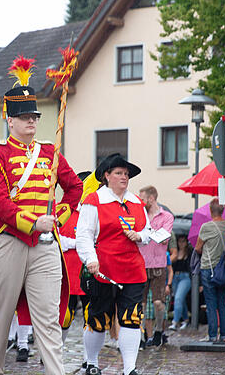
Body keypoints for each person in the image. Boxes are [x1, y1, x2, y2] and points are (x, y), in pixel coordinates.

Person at [0, 57, 83, 375]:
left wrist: (58, 215)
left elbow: (75, 190)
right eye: (23, 116)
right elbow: (0, 203)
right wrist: (32, 222)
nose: (30, 121)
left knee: (48, 317)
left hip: (45, 243)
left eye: (33, 115)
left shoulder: (50, 153)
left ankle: (55, 371)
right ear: (10, 120)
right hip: (7, 240)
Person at [76, 153, 162, 375]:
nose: (124, 177)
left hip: (133, 270)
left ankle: (130, 368)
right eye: (119, 173)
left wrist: (139, 236)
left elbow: (147, 231)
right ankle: (92, 363)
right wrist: (90, 259)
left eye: (126, 174)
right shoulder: (94, 201)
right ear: (107, 176)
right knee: (98, 319)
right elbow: (83, 235)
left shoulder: (135, 202)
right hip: (103, 270)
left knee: (132, 319)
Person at [59, 171, 94, 367]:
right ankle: (55, 353)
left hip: (89, 272)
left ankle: (89, 359)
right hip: (67, 274)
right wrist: (79, 243)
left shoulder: (94, 212)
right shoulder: (63, 210)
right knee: (64, 317)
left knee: (91, 316)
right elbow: (57, 240)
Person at [137, 185, 175, 347]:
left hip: (159, 264)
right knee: (141, 303)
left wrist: (145, 233)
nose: (140, 201)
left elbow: (164, 237)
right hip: (141, 263)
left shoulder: (166, 216)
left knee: (158, 302)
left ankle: (159, 330)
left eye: (142, 199)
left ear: (151, 198)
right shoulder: (139, 215)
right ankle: (142, 335)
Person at [194, 198, 225, 342]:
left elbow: (197, 248)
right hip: (224, 269)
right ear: (223, 211)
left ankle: (213, 335)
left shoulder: (206, 227)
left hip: (208, 268)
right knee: (222, 302)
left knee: (210, 303)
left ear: (210, 210)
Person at [169, 234, 192, 331]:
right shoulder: (175, 253)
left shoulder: (189, 253)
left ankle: (175, 322)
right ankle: (186, 319)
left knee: (178, 298)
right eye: (180, 241)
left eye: (183, 241)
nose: (181, 244)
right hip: (175, 277)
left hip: (185, 277)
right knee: (180, 299)